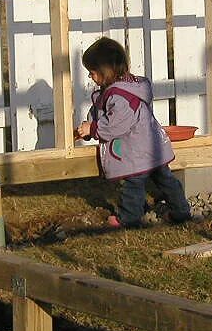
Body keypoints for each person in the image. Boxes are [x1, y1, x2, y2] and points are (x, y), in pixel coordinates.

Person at [75, 36, 194, 229]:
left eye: (92, 72)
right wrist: (89, 125)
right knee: (166, 180)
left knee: (132, 184)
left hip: (136, 151)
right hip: (153, 147)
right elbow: (101, 111)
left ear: (106, 71)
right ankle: (181, 211)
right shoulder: (126, 87)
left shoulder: (119, 95)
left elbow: (116, 124)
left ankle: (129, 218)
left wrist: (94, 128)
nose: (90, 77)